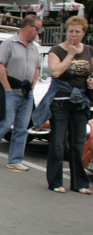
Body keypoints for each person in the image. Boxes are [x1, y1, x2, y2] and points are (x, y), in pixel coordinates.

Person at [31, 16, 92, 194]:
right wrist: (71, 54)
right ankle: (55, 182)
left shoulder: (88, 50)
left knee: (78, 142)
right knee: (57, 142)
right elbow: (56, 72)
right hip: (60, 100)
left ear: (83, 33)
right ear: (66, 32)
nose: (74, 35)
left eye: (77, 32)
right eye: (71, 31)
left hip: (81, 101)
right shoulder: (57, 50)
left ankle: (80, 183)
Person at [0, 15, 42, 171]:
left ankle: (15, 159)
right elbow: (0, 65)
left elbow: (37, 68)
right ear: (28, 27)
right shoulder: (9, 43)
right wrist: (8, 88)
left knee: (22, 127)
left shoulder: (34, 47)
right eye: (37, 28)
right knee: (5, 123)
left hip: (26, 91)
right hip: (12, 89)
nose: (38, 32)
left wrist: (33, 85)